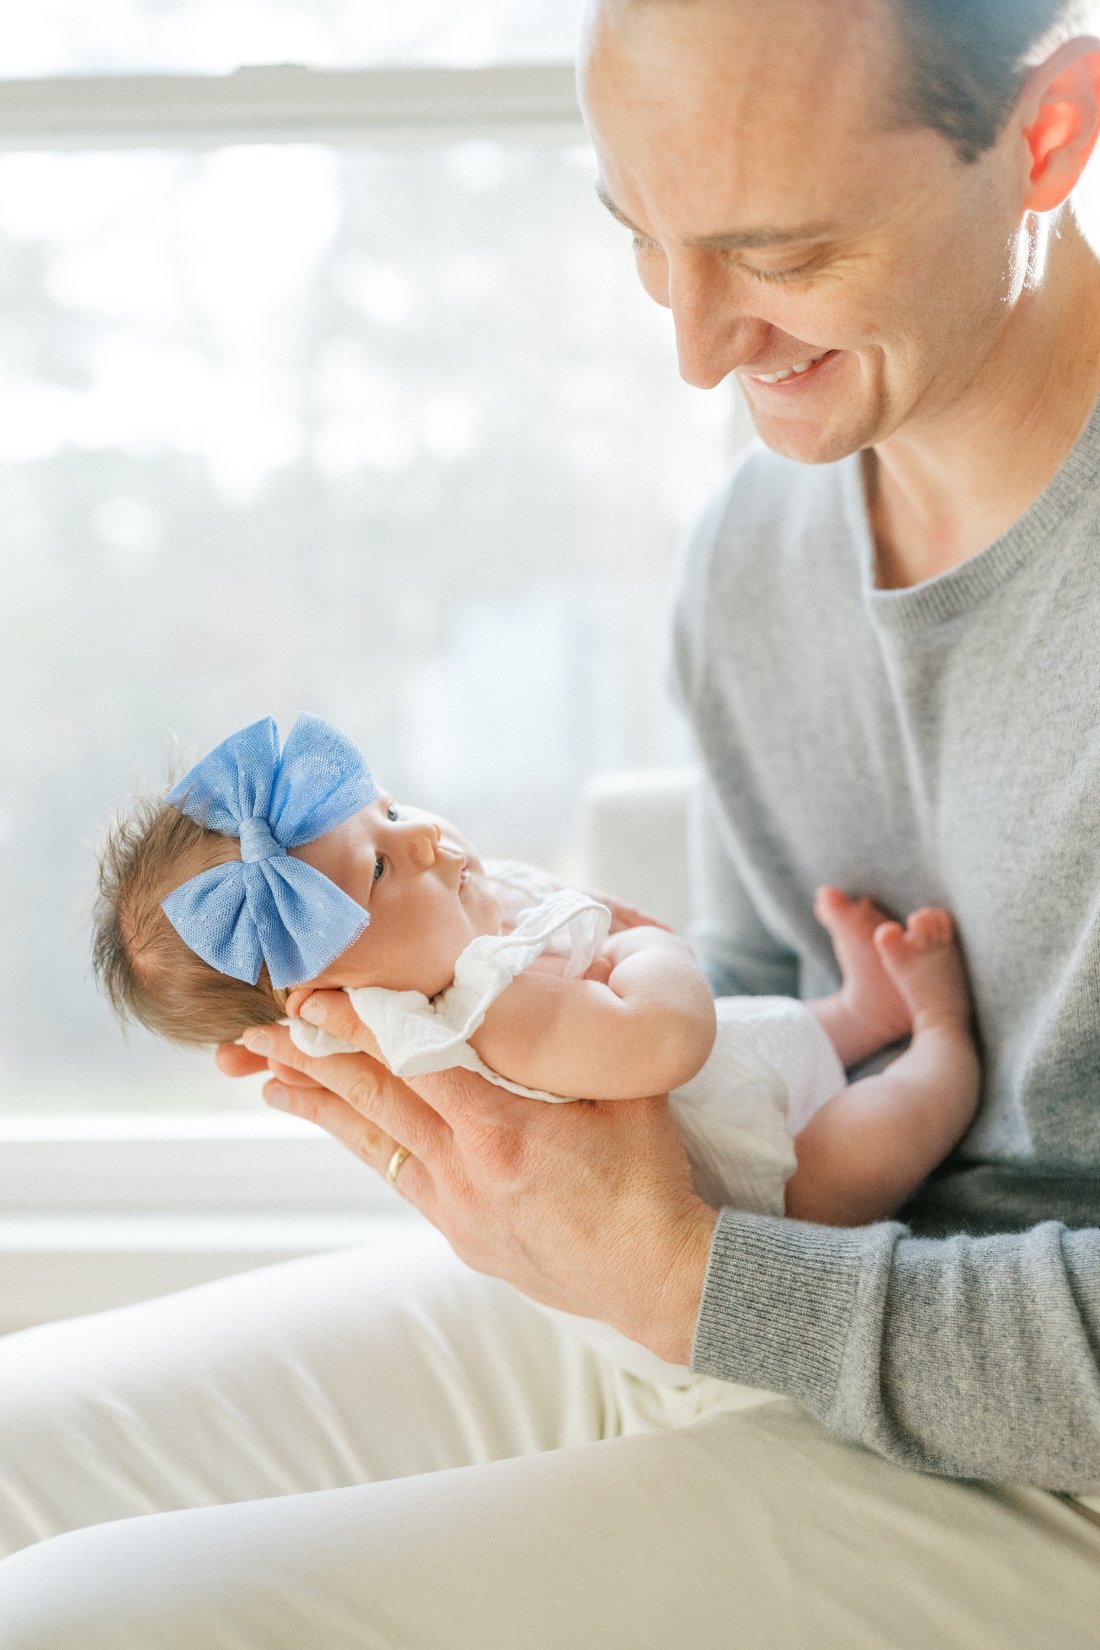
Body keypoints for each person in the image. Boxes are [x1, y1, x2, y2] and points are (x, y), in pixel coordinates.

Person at [3, 0, 1100, 1644]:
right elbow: (741, 977)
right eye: (645, 241)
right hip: (752, 1277)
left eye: (779, 250)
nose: (695, 345)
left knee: (92, 1619)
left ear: (1044, 136)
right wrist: (533, 1133)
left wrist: (676, 1275)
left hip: (1040, 1448)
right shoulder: (766, 532)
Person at [90, 710, 980, 1325]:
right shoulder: (485, 1015)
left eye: (391, 811)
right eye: (377, 870)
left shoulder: (456, 928)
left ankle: (864, 1010)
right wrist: (643, 947)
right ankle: (941, 1040)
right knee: (862, 1148)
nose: (425, 838)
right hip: (776, 1177)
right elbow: (667, 1039)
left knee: (790, 1031)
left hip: (750, 1082)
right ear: (332, 996)